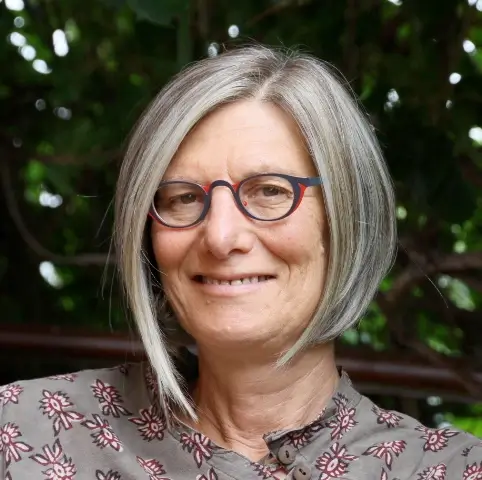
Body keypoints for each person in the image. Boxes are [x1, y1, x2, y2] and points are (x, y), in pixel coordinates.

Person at [1, 45, 480, 480]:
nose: (221, 236)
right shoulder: (26, 434)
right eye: (184, 198)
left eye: (270, 191)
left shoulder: (450, 470)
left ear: (346, 220)